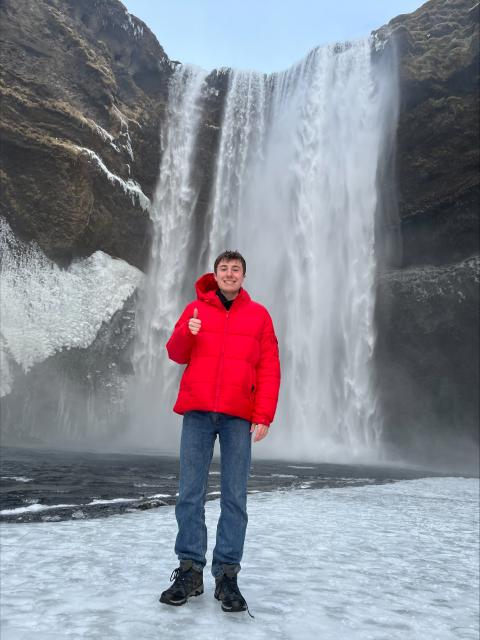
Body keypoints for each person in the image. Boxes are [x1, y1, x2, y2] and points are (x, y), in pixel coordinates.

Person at [159, 250, 281, 614]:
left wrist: (264, 415)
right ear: (215, 274)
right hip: (197, 412)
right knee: (190, 494)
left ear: (244, 276)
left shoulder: (259, 316)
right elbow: (176, 353)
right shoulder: (195, 310)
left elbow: (270, 367)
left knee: (235, 497)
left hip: (238, 416)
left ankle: (227, 574)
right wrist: (186, 331)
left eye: (236, 269)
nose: (229, 274)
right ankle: (190, 571)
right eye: (224, 269)